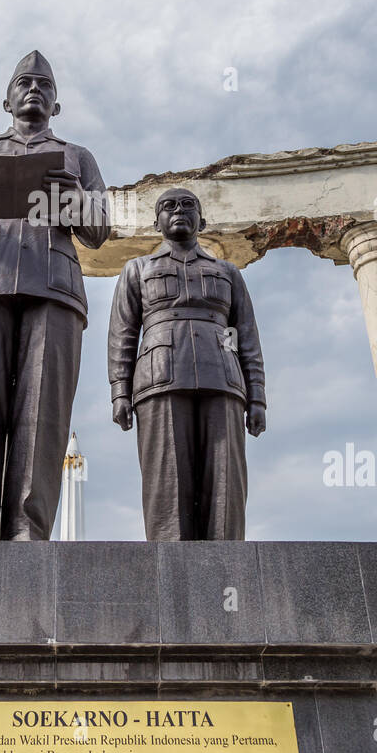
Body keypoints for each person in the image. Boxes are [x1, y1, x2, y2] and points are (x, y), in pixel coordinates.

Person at [0, 49, 110, 540]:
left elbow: (100, 231)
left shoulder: (78, 157)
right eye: (25, 82)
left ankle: (28, 542)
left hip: (52, 288)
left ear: (56, 105)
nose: (35, 89)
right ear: (6, 99)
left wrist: (72, 198)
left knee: (43, 418)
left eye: (45, 85)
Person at [108, 187, 265, 540]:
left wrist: (257, 398)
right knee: (167, 481)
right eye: (168, 206)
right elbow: (123, 334)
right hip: (159, 377)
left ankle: (226, 562)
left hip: (223, 378)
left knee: (225, 483)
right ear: (157, 222)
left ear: (202, 220)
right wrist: (119, 392)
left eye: (187, 205)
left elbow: (247, 336)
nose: (178, 210)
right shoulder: (137, 270)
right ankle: (172, 568)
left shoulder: (227, 272)